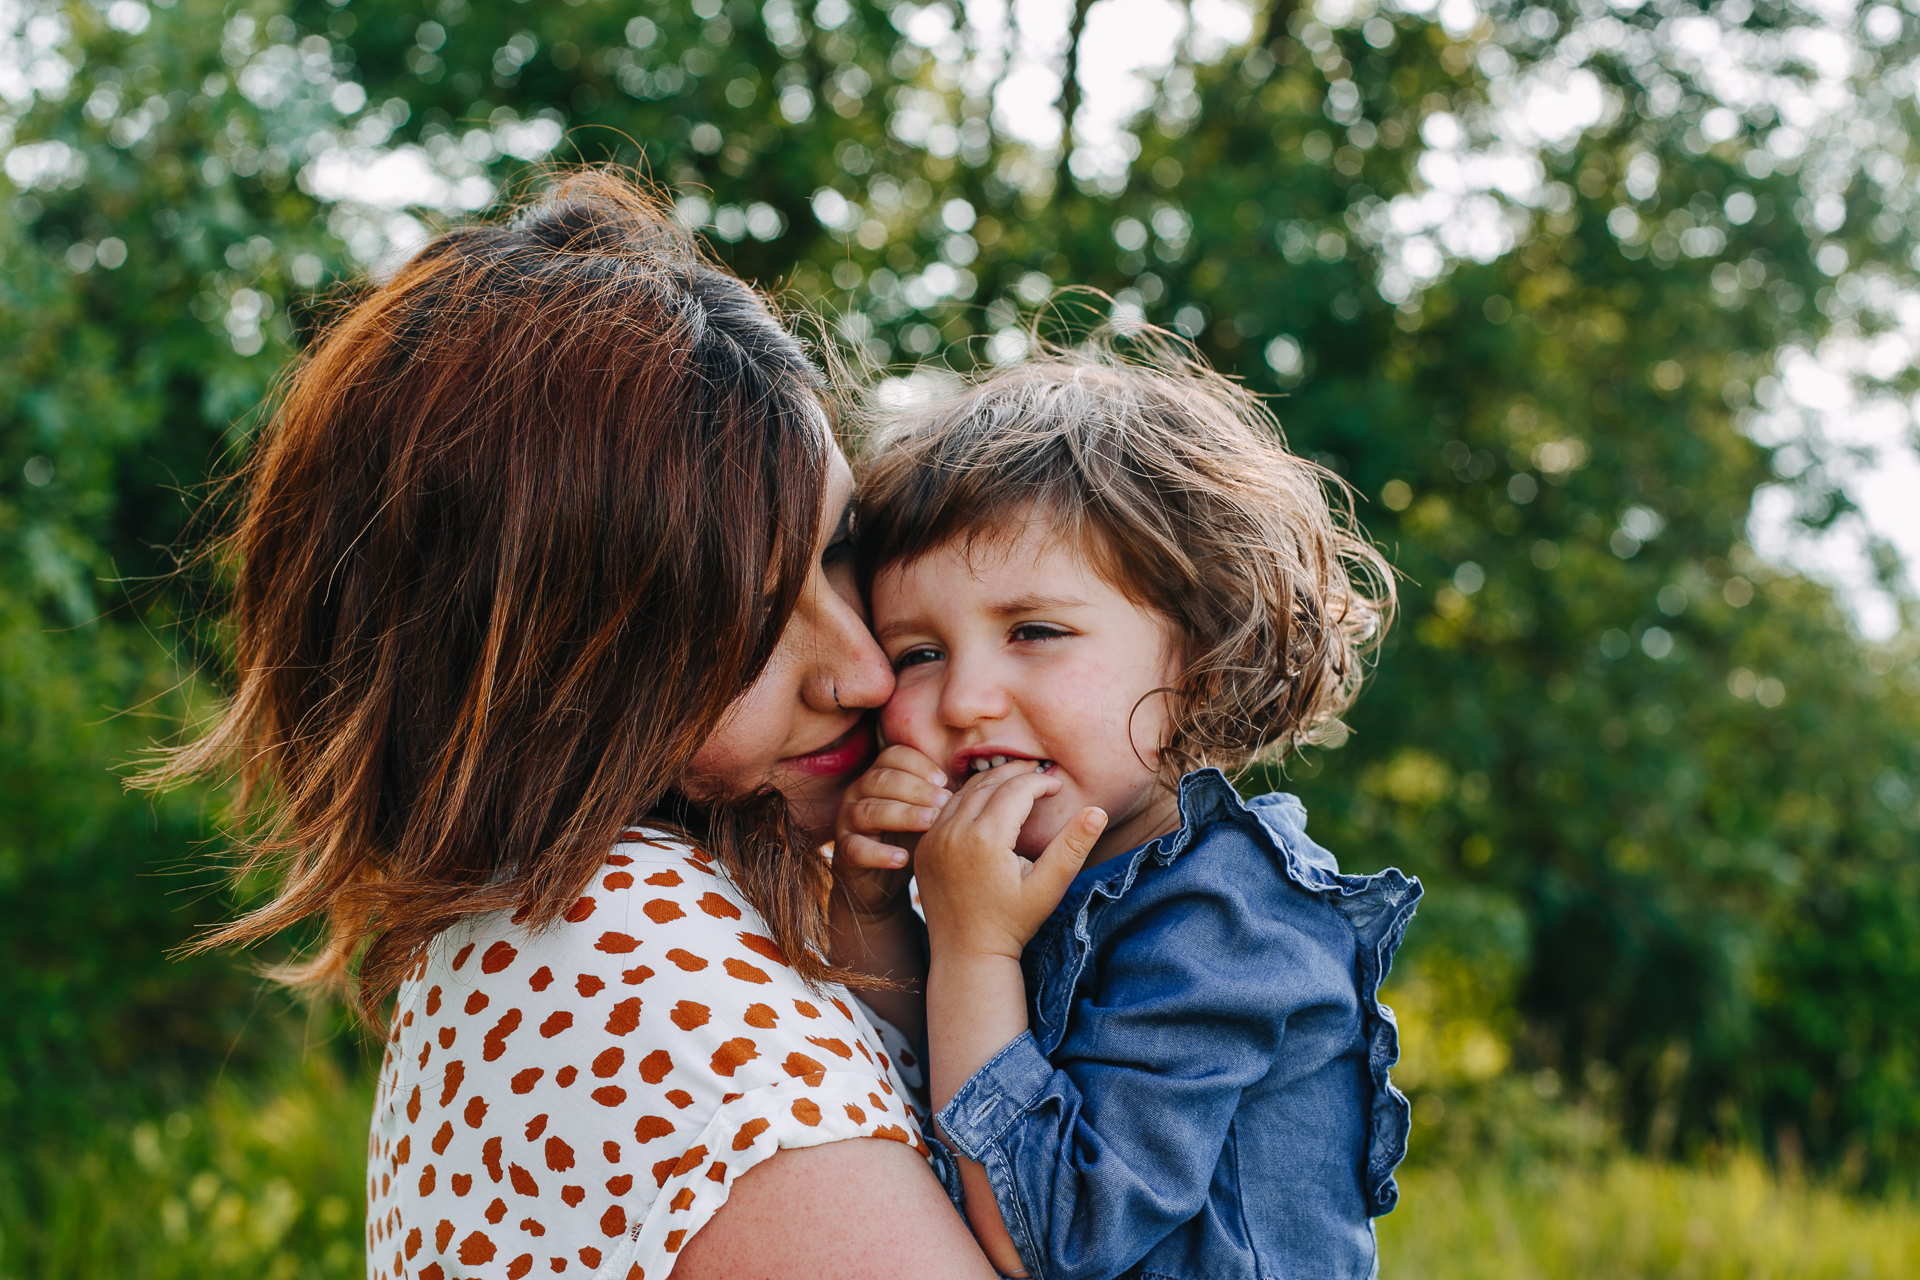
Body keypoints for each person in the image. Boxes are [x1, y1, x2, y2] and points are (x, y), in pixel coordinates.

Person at [141, 172, 995, 1280]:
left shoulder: (583, 925)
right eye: (744, 622)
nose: (865, 670)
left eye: (839, 549)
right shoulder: (618, 947)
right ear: (552, 669)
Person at [839, 338, 1422, 1280]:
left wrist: (974, 946)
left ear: (1200, 664)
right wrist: (873, 907)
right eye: (917, 652)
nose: (964, 698)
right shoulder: (1010, 881)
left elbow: (1057, 1232)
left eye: (1034, 632)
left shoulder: (1228, 920)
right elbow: (899, 1084)